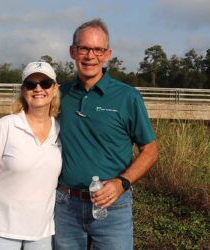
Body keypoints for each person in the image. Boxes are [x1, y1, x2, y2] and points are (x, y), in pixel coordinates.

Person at [54, 18, 159, 250]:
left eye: (98, 50)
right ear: (73, 51)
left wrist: (122, 183)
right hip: (66, 206)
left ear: (107, 54)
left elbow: (150, 150)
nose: (91, 56)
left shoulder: (127, 97)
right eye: (84, 48)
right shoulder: (59, 95)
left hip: (113, 208)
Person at [0, 62, 62, 250]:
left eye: (45, 83)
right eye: (31, 84)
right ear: (24, 90)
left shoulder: (60, 130)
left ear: (54, 89)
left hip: (42, 233)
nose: (38, 89)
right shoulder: (7, 125)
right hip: (2, 230)